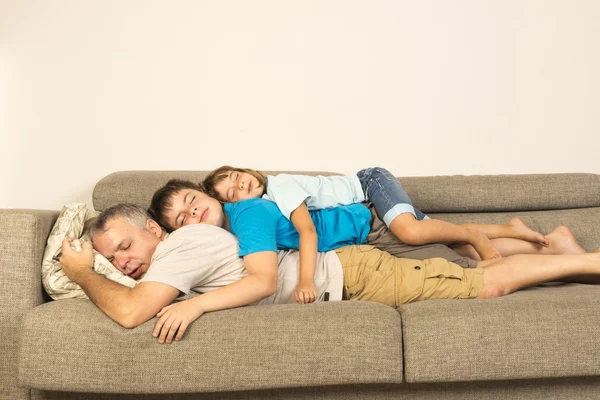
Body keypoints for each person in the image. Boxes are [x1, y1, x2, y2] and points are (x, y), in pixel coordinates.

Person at [60, 202, 600, 346]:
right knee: (465, 269)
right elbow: (133, 294)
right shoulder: (168, 260)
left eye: (128, 246)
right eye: (114, 259)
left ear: (155, 230)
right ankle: (560, 251)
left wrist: (84, 272)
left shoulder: (184, 245)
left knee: (488, 283)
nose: (125, 262)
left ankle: (582, 260)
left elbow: (130, 312)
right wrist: (97, 269)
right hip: (351, 271)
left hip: (352, 276)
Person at [199, 166, 549, 302]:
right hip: (366, 225)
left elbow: (307, 232)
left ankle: (477, 236)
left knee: (411, 231)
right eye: (232, 193)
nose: (239, 186)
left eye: (236, 176)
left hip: (370, 187)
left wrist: (306, 280)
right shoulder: (258, 211)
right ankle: (510, 231)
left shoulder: (281, 189)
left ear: (245, 169)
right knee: (436, 241)